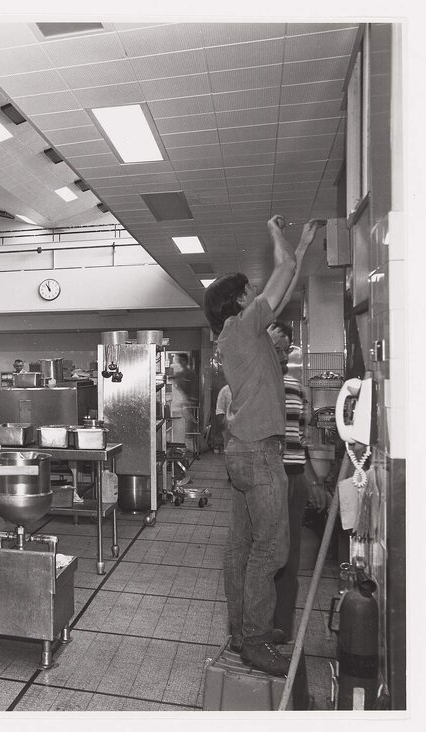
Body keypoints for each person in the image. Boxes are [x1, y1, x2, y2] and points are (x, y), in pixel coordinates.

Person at [204, 214, 324, 676]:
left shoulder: (237, 335)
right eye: (251, 293)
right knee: (271, 549)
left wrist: (305, 245)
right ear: (239, 300)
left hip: (241, 451)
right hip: (258, 451)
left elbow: (285, 284)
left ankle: (241, 630)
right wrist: (279, 234)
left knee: (241, 546)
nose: (258, 296)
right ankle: (254, 637)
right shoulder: (243, 326)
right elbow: (284, 271)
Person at [268, 321, 331, 640]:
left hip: (294, 476)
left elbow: (301, 439)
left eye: (285, 348)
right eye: (275, 347)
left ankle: (281, 629)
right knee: (269, 556)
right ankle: (258, 626)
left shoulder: (296, 388)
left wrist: (314, 482)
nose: (281, 354)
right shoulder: (257, 386)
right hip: (269, 479)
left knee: (290, 559)